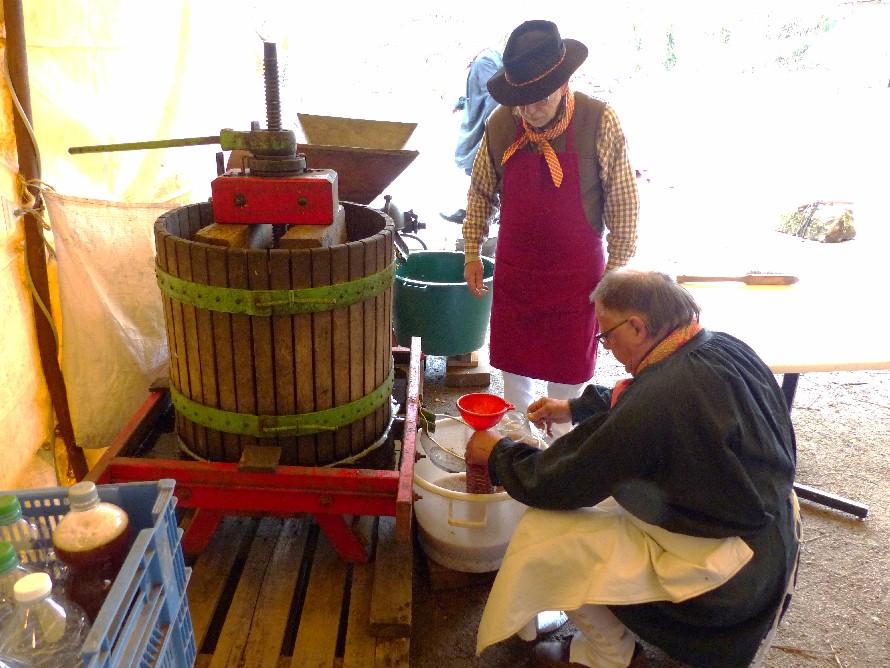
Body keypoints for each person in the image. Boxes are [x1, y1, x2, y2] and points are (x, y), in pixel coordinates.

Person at [465, 269, 800, 668]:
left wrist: (497, 453)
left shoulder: (660, 400)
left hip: (728, 567)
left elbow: (559, 480)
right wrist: (576, 406)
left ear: (637, 327)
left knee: (545, 535)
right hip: (771, 528)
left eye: (605, 335)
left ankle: (610, 656)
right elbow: (650, 399)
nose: (604, 346)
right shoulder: (722, 347)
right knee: (608, 503)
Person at [462, 20, 639, 419]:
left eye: (540, 97)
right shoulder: (502, 125)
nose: (530, 109)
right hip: (517, 276)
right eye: (522, 98)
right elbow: (479, 194)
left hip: (577, 281)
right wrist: (472, 251)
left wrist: (617, 271)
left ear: (563, 84)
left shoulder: (599, 121)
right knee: (514, 380)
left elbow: (624, 203)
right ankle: (518, 449)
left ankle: (560, 454)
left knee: (568, 380)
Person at [440, 47, 503, 224]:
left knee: (479, 166)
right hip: (487, 121)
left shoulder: (483, 62)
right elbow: (478, 90)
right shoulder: (489, 57)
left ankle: (477, 212)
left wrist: (492, 125)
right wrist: (461, 102)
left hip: (487, 124)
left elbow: (494, 95)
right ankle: (480, 210)